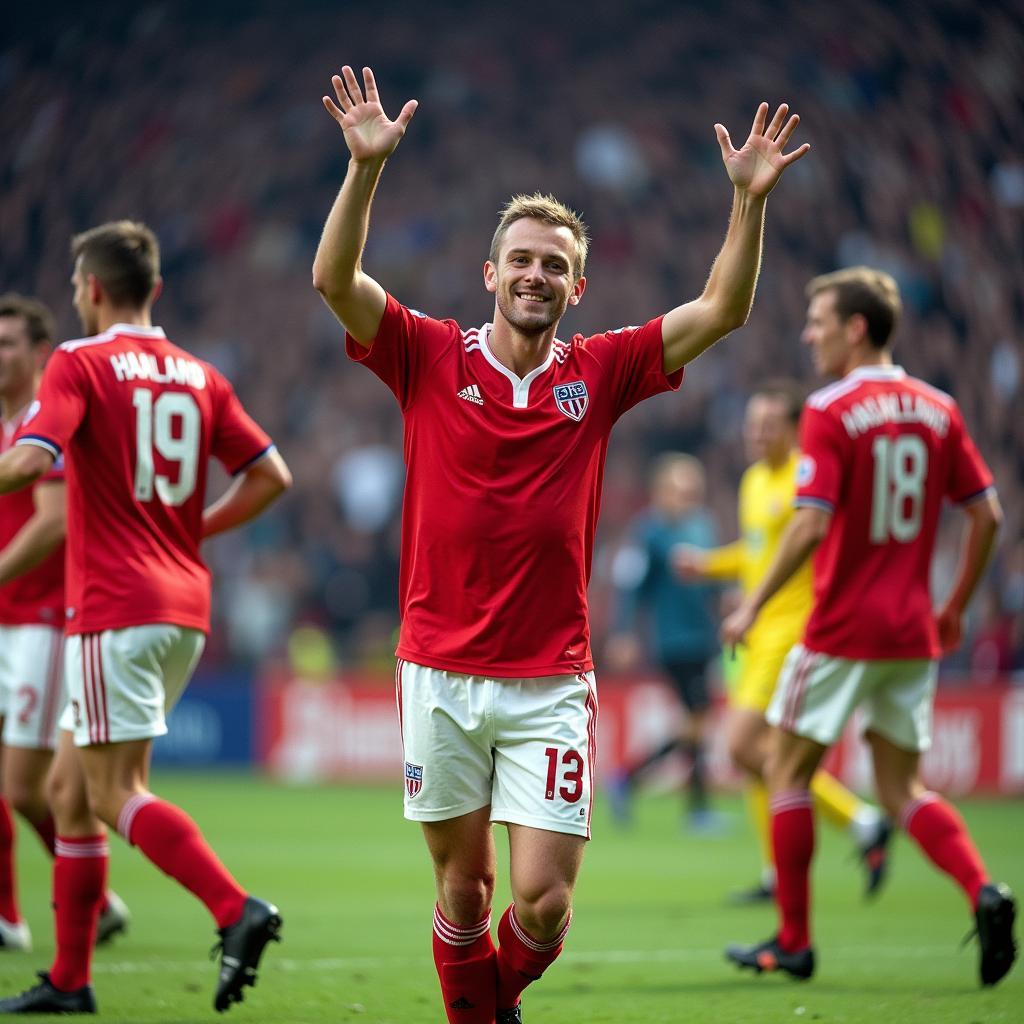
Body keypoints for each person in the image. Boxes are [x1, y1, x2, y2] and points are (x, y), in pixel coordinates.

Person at [312, 64, 808, 1024]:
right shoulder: (427, 354)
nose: (536, 274)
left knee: (540, 905)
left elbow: (723, 311)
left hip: (549, 679)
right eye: (521, 259)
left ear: (577, 287)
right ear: (490, 275)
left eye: (554, 264)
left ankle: (484, 1003)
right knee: (464, 893)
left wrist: (747, 204)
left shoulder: (605, 369)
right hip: (440, 672)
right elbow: (335, 281)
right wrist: (365, 171)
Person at [0, 221, 292, 1015]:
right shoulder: (199, 374)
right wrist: (192, 527)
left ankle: (235, 909)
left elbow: (32, 460)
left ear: (90, 290)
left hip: (113, 606)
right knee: (69, 790)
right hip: (184, 606)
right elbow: (272, 475)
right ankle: (69, 980)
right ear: (154, 289)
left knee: (109, 793)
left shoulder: (78, 362)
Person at [722, 267, 1016, 986]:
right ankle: (984, 890)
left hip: (841, 628)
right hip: (913, 633)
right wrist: (955, 605)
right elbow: (989, 514)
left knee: (784, 768)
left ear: (856, 328)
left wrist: (754, 602)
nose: (808, 333)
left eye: (818, 319)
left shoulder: (828, 407)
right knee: (902, 790)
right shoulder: (940, 406)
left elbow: (810, 523)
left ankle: (794, 940)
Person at [675, 381, 890, 902]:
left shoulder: (803, 479)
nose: (756, 434)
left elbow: (815, 547)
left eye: (768, 425)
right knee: (756, 758)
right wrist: (709, 567)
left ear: (794, 429)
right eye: (752, 425)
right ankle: (780, 869)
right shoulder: (753, 482)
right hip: (753, 635)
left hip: (791, 634)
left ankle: (861, 821)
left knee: (744, 745)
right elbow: (757, 555)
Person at [0, 295, 130, 952]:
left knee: (24, 785)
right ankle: (8, 916)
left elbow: (52, 522)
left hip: (41, 621)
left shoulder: (42, 423)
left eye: (10, 344)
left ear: (36, 353)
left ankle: (94, 894)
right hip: (4, 616)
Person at [606, 453, 724, 832]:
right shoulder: (649, 532)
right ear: (660, 491)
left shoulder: (703, 525)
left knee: (697, 724)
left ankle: (688, 804)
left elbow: (715, 579)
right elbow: (630, 586)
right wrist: (623, 633)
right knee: (697, 721)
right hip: (673, 639)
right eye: (679, 488)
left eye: (692, 488)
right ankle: (632, 780)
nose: (687, 495)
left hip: (704, 635)